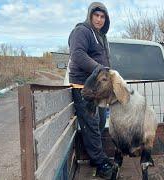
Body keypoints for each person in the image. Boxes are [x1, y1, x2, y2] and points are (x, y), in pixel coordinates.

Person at [68, 2, 113, 179]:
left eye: (103, 17)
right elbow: (77, 54)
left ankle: (97, 157)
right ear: (90, 15)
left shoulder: (100, 36)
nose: (99, 19)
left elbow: (104, 61)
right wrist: (99, 69)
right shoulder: (82, 31)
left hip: (98, 90)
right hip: (84, 88)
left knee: (100, 123)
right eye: (96, 15)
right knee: (92, 126)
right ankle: (100, 163)